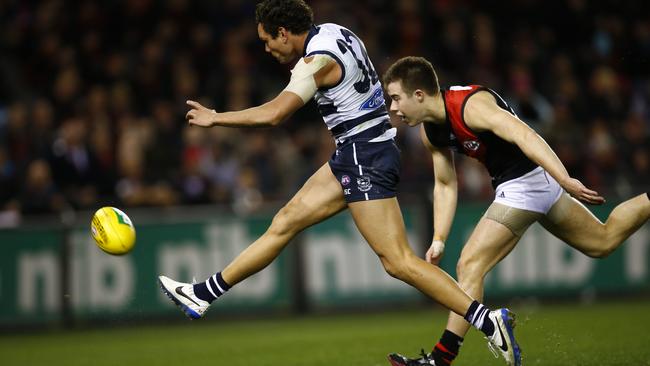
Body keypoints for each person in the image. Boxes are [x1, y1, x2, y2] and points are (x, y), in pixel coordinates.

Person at [158, 1, 521, 365]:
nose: (267, 49)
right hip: (359, 150)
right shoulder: (336, 31)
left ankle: (486, 320)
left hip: (365, 155)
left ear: (284, 33)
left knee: (397, 261)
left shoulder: (314, 62)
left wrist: (216, 118)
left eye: (268, 40)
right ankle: (203, 293)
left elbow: (275, 114)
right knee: (286, 221)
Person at [382, 56, 650, 366]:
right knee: (602, 241)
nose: (392, 108)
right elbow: (444, 183)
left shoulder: (470, 105)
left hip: (525, 182)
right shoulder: (431, 131)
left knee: (470, 264)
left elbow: (525, 134)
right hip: (532, 181)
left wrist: (565, 178)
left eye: (396, 98)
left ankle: (440, 360)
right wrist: (439, 236)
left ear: (418, 95)